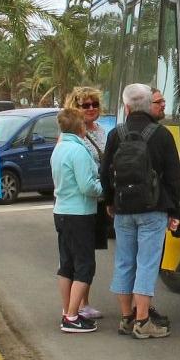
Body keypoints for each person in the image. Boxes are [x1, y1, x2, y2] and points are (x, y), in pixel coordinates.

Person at [101, 83, 180, 339]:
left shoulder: (116, 134)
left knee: (124, 261)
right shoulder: (161, 134)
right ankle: (143, 319)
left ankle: (126, 317)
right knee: (147, 263)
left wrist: (110, 201)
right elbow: (173, 176)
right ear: (149, 105)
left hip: (123, 208)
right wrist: (175, 212)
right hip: (153, 209)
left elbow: (105, 172)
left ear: (126, 106)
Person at [50, 107, 103, 333]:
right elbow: (87, 186)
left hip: (61, 210)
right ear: (80, 126)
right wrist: (104, 189)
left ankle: (67, 310)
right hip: (79, 213)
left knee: (67, 264)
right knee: (84, 266)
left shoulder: (59, 148)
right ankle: (72, 316)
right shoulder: (79, 151)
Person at [63, 86, 108, 320]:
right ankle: (75, 306)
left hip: (97, 202)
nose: (91, 109)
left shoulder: (102, 131)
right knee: (79, 257)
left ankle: (84, 302)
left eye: (94, 104)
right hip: (81, 201)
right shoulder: (72, 138)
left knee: (89, 252)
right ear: (75, 108)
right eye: (85, 105)